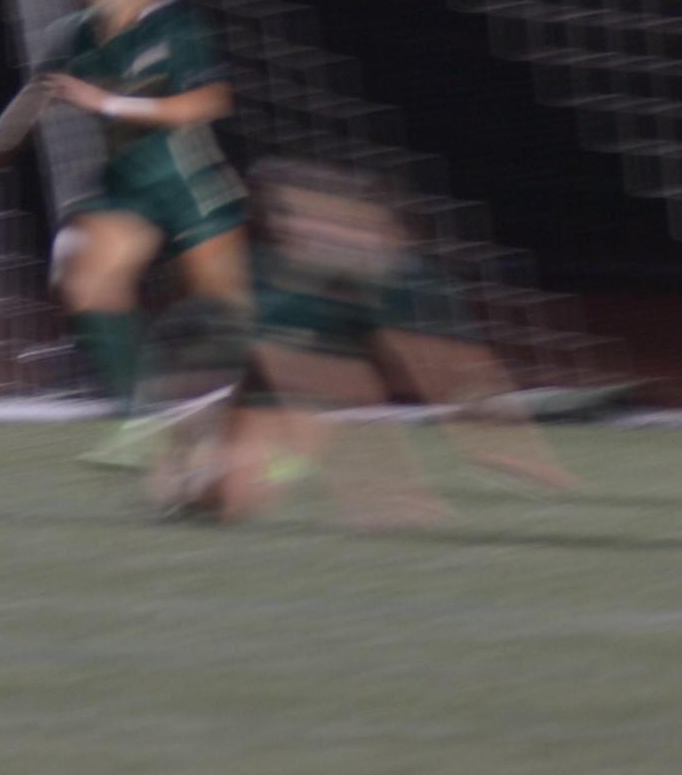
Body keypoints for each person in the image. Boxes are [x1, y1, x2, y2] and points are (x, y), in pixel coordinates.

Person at [0, 0, 251, 465]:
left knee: (227, 319)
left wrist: (108, 103)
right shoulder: (72, 34)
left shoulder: (176, 25)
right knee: (80, 273)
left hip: (191, 184)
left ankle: (264, 436)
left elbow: (210, 101)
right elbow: (38, 94)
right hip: (127, 185)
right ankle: (142, 422)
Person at [155, 161, 583, 527]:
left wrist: (509, 448)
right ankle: (191, 457)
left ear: (388, 232)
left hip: (300, 375)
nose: (302, 229)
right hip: (238, 368)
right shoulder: (269, 285)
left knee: (236, 495)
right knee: (219, 495)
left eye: (328, 221)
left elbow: (456, 371)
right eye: (293, 216)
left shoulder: (411, 284)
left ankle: (225, 466)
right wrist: (379, 481)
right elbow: (319, 376)